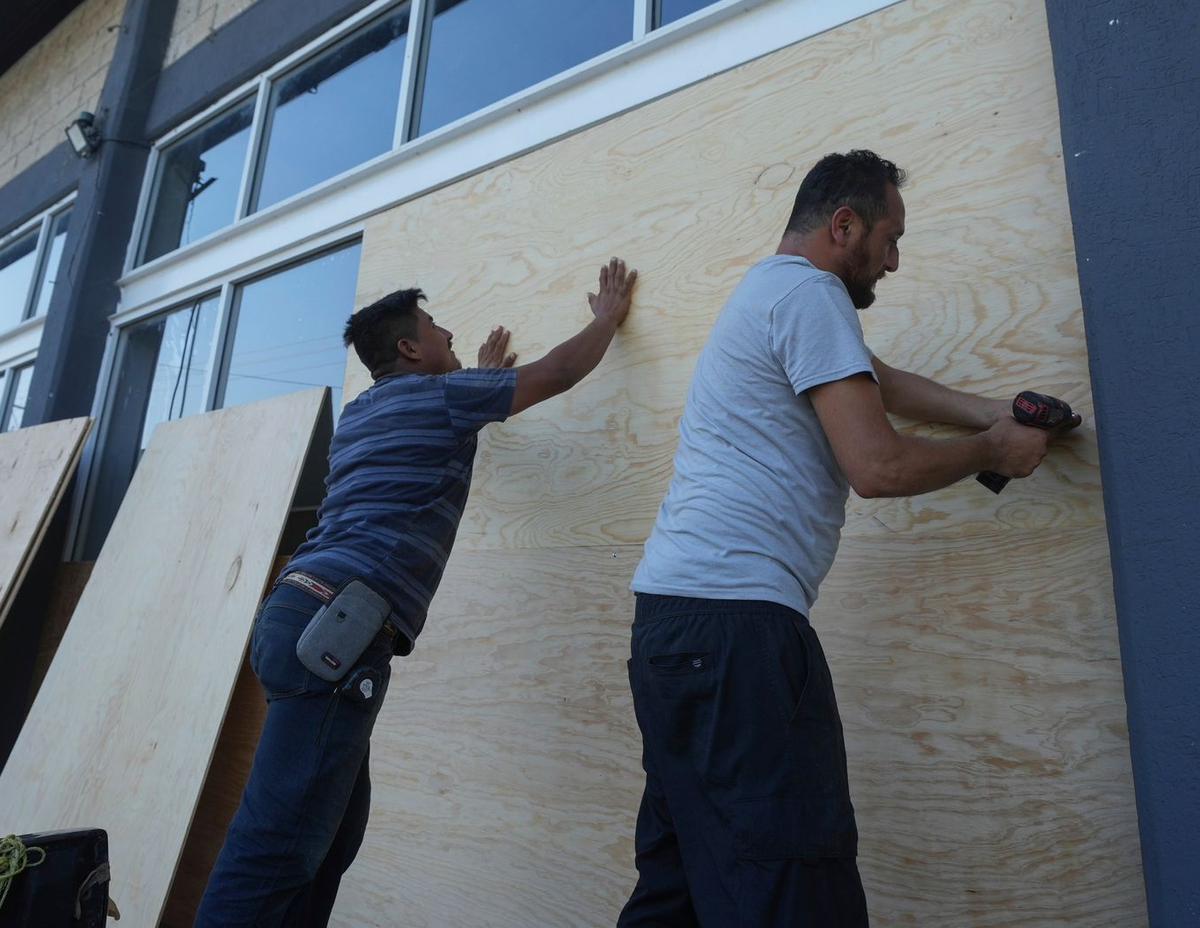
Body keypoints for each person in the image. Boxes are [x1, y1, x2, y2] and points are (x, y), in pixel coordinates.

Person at [618, 151, 1079, 927]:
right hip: (741, 635)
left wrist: (997, 411)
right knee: (794, 888)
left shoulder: (769, 291)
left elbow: (878, 379)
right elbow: (877, 465)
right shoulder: (811, 292)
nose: (895, 259)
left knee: (680, 889)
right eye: (891, 238)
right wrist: (994, 453)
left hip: (669, 628)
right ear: (844, 226)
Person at [196, 257, 637, 927]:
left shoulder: (364, 412)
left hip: (300, 612)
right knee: (278, 846)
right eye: (436, 328)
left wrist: (476, 375)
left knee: (333, 833)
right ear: (409, 347)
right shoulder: (444, 400)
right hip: (335, 631)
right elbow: (556, 373)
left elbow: (443, 418)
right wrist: (604, 318)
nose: (449, 330)